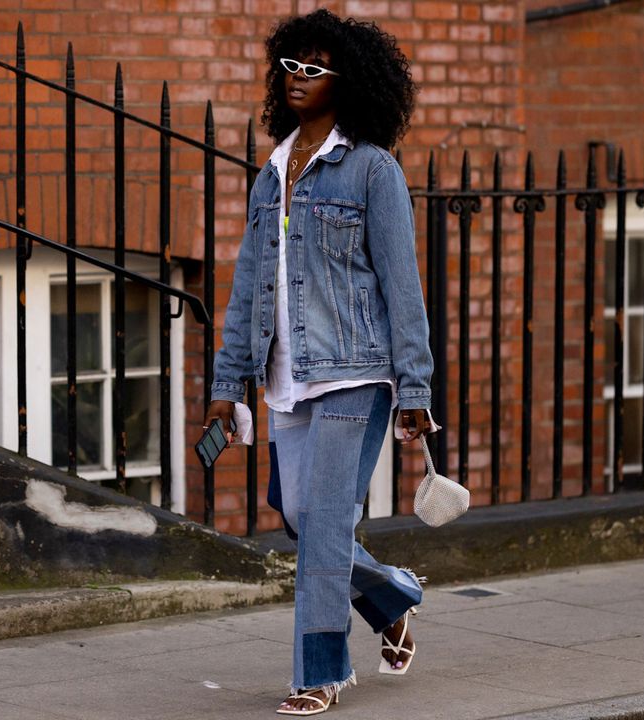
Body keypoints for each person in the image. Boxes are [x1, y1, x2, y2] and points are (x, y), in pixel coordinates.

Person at [203, 8, 439, 716]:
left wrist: (414, 388)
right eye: (291, 66)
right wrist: (226, 382)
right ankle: (391, 596)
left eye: (316, 68)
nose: (299, 79)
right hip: (286, 378)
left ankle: (320, 674)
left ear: (349, 81)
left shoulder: (372, 169)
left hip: (356, 373)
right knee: (301, 515)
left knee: (326, 523)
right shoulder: (272, 173)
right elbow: (248, 284)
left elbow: (403, 285)